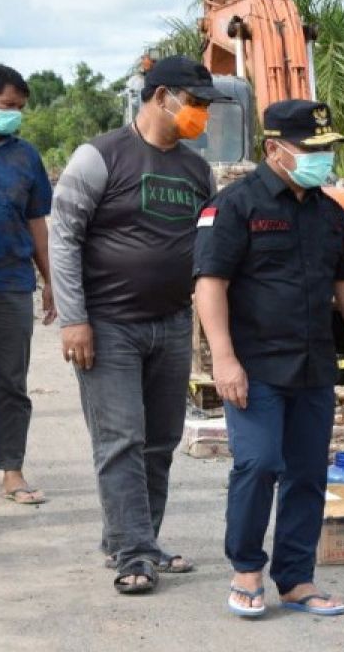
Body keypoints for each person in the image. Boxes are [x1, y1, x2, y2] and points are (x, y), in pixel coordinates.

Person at [194, 99, 344, 618]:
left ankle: (297, 579)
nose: (322, 160)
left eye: (326, 151)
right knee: (258, 464)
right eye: (311, 150)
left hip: (312, 367)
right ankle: (245, 569)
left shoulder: (331, 214)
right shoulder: (234, 206)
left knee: (307, 473)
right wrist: (223, 359)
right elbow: (209, 285)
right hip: (254, 366)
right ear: (274, 149)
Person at [50, 55, 220, 594]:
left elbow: (211, 248)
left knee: (160, 441)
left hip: (170, 324)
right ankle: (135, 552)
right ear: (162, 95)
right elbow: (64, 238)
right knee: (121, 438)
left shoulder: (198, 170)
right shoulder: (99, 157)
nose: (201, 115)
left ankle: (133, 539)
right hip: (109, 324)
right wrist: (74, 319)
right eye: (195, 103)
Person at [0, 64, 56, 511]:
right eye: (7, 106)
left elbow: (36, 221)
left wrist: (49, 281)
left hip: (10, 282)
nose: (14, 116)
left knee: (11, 382)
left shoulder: (26, 157)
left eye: (20, 109)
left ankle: (11, 471)